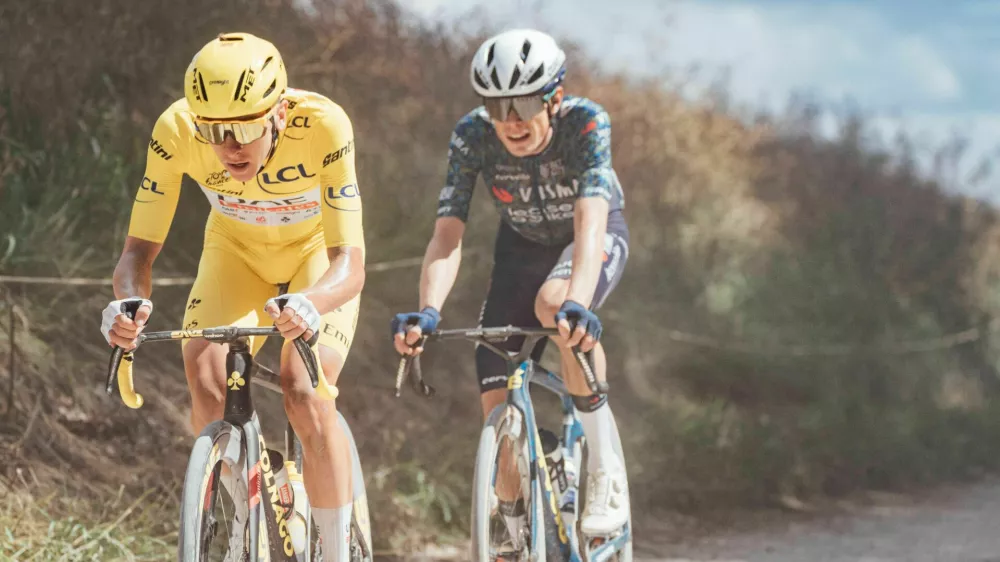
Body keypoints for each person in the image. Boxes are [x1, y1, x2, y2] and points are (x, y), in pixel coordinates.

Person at [101, 32, 364, 560]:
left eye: (244, 127)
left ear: (280, 114)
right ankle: (244, 509)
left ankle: (336, 549)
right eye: (213, 130)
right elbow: (137, 254)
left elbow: (350, 264)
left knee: (304, 390)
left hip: (316, 258)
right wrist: (126, 304)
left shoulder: (325, 125)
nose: (228, 146)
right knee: (205, 378)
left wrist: (313, 302)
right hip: (235, 253)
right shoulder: (175, 129)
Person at [391, 28, 630, 537]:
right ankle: (515, 515)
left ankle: (604, 467)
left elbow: (590, 226)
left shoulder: (586, 123)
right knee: (493, 356)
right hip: (520, 244)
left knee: (554, 307)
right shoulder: (472, 134)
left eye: (522, 103)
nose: (511, 121)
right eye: (497, 107)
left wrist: (578, 304)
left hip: (591, 235)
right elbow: (447, 236)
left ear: (554, 97)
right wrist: (428, 309)